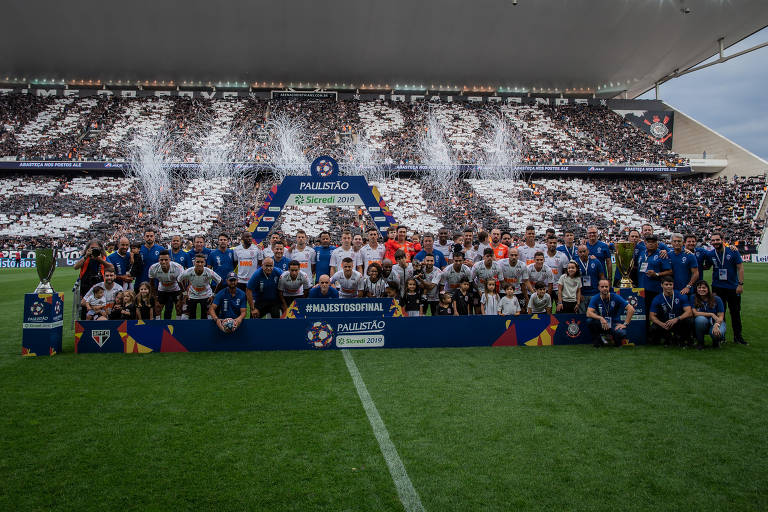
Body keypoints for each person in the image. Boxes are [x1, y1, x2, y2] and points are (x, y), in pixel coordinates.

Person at [705, 232, 746, 345]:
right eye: (713, 240)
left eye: (717, 240)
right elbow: (707, 266)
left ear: (722, 240)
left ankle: (738, 337)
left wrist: (740, 284)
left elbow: (740, 268)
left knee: (735, 312)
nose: (715, 242)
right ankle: (721, 336)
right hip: (717, 288)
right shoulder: (710, 254)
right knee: (719, 313)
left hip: (732, 287)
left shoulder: (732, 251)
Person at [637, 234, 672, 330]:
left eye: (653, 242)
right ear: (645, 243)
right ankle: (646, 334)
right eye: (649, 242)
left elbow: (669, 271)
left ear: (657, 244)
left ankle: (660, 332)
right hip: (641, 288)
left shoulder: (661, 254)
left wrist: (656, 274)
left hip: (654, 289)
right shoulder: (642, 253)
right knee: (643, 313)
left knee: (656, 312)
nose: (651, 244)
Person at [586, 279, 635, 348]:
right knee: (590, 321)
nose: (604, 288)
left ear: (609, 287)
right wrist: (601, 318)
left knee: (621, 333)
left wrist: (625, 324)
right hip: (601, 324)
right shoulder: (595, 298)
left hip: (614, 324)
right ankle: (598, 341)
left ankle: (615, 340)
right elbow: (588, 313)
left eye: (606, 286)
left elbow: (631, 309)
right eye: (602, 287)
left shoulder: (615, 297)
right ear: (598, 288)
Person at [649, 275, 693, 347]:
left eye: (670, 284)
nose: (668, 286)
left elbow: (689, 312)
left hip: (678, 321)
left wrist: (677, 319)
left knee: (689, 321)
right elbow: (652, 316)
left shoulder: (681, 295)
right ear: (661, 285)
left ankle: (685, 338)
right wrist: (661, 324)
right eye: (666, 284)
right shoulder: (657, 298)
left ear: (673, 285)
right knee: (653, 328)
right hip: (665, 323)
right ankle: (666, 338)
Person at [178, 253, 222, 320]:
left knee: (205, 316)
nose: (200, 264)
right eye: (197, 262)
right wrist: (184, 293)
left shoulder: (209, 271)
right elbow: (179, 279)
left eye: (202, 262)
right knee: (191, 316)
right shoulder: (189, 271)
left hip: (206, 295)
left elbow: (220, 281)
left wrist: (213, 295)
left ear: (204, 263)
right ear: (194, 263)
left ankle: (205, 330)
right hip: (192, 294)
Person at [148, 250, 185, 320]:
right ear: (159, 260)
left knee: (179, 307)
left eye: (166, 260)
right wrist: (155, 298)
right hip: (162, 289)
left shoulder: (177, 267)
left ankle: (178, 324)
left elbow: (181, 283)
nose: (163, 262)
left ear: (169, 260)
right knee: (158, 308)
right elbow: (152, 284)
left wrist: (183, 295)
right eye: (161, 260)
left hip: (175, 288)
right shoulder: (153, 268)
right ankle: (158, 324)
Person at [691, 280, 726, 349]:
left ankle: (716, 342)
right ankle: (700, 343)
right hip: (703, 323)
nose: (701, 289)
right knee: (700, 319)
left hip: (716, 322)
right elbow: (695, 313)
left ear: (708, 289)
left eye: (704, 288)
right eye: (699, 287)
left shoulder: (717, 299)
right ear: (696, 289)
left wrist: (717, 324)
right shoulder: (693, 297)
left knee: (718, 333)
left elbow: (721, 316)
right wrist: (711, 314)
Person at [575, 244, 604, 313]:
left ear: (588, 251)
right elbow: (573, 281)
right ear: (577, 253)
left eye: (584, 251)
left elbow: (602, 277)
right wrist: (578, 294)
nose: (582, 253)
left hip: (594, 293)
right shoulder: (575, 263)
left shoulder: (596, 261)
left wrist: (601, 291)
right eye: (580, 252)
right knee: (582, 316)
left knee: (595, 315)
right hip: (582, 294)